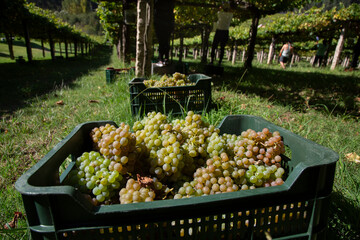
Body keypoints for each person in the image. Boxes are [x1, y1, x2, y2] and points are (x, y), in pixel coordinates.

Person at [154, 0, 175, 66]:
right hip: (161, 22)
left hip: (166, 22)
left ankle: (164, 58)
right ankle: (162, 58)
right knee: (162, 41)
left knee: (165, 41)